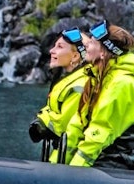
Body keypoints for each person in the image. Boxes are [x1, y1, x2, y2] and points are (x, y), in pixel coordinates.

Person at [66, 21, 134, 169]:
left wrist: (73, 172)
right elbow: (77, 125)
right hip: (111, 155)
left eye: (93, 42)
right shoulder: (97, 79)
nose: (86, 44)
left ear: (103, 52)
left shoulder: (121, 84)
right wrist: (57, 164)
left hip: (126, 161)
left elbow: (99, 134)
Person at [30, 27, 90, 162]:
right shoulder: (71, 79)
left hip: (72, 156)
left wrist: (41, 121)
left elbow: (64, 126)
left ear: (75, 56)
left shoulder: (82, 85)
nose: (52, 50)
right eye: (54, 46)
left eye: (59, 47)